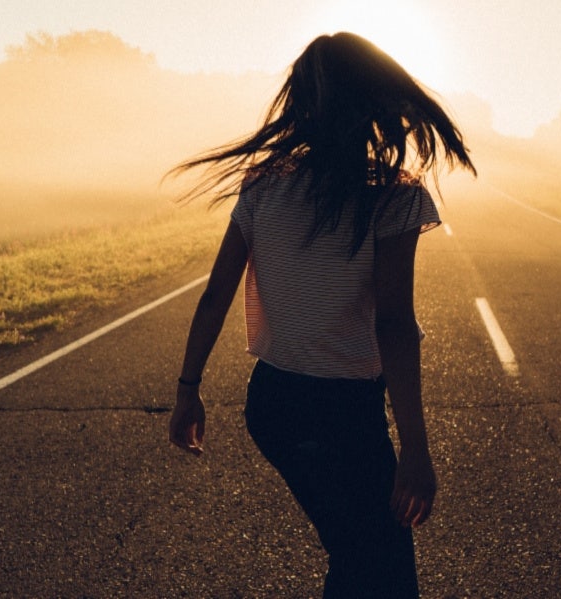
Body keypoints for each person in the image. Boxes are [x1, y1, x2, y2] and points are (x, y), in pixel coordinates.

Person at [166, 32, 475, 598]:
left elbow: (216, 294)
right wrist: (415, 451)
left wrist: (189, 389)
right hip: (344, 414)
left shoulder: (263, 184)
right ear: (377, 103)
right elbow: (394, 325)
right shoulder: (393, 197)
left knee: (358, 556)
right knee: (381, 573)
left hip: (274, 407)